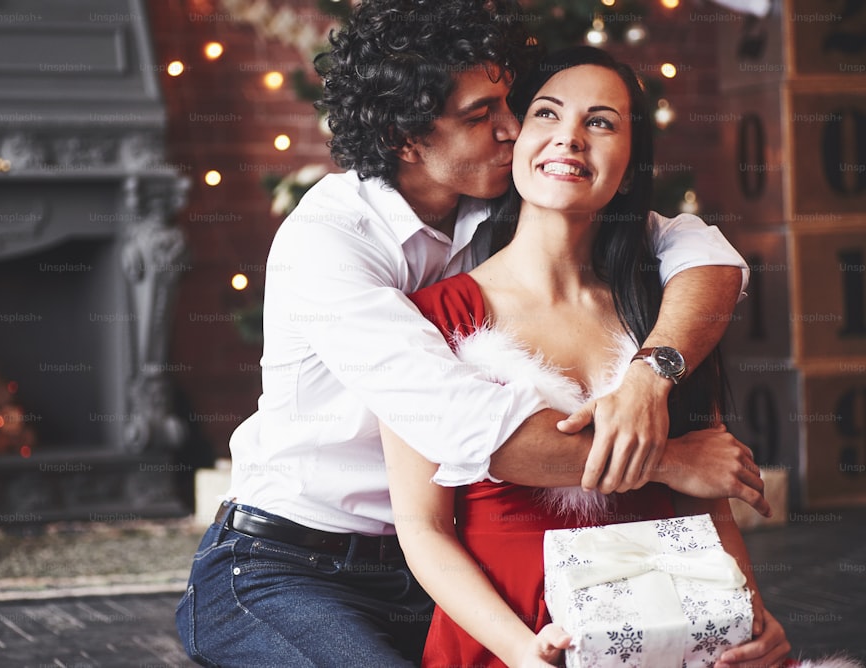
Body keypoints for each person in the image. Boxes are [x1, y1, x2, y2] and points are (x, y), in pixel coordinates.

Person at [175, 1, 769, 665]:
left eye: (510, 103)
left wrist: (650, 374)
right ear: (408, 139)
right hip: (289, 564)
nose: (514, 129)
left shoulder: (498, 192)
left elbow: (701, 255)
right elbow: (473, 429)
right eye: (481, 115)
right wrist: (668, 460)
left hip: (437, 568)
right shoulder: (328, 243)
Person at [381, 46, 789, 668]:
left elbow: (707, 504)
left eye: (601, 122)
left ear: (627, 168)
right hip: (505, 634)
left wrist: (749, 622)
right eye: (548, 114)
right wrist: (523, 652)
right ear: (514, 142)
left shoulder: (665, 314)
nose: (570, 138)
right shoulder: (430, 317)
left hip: (669, 628)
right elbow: (423, 529)